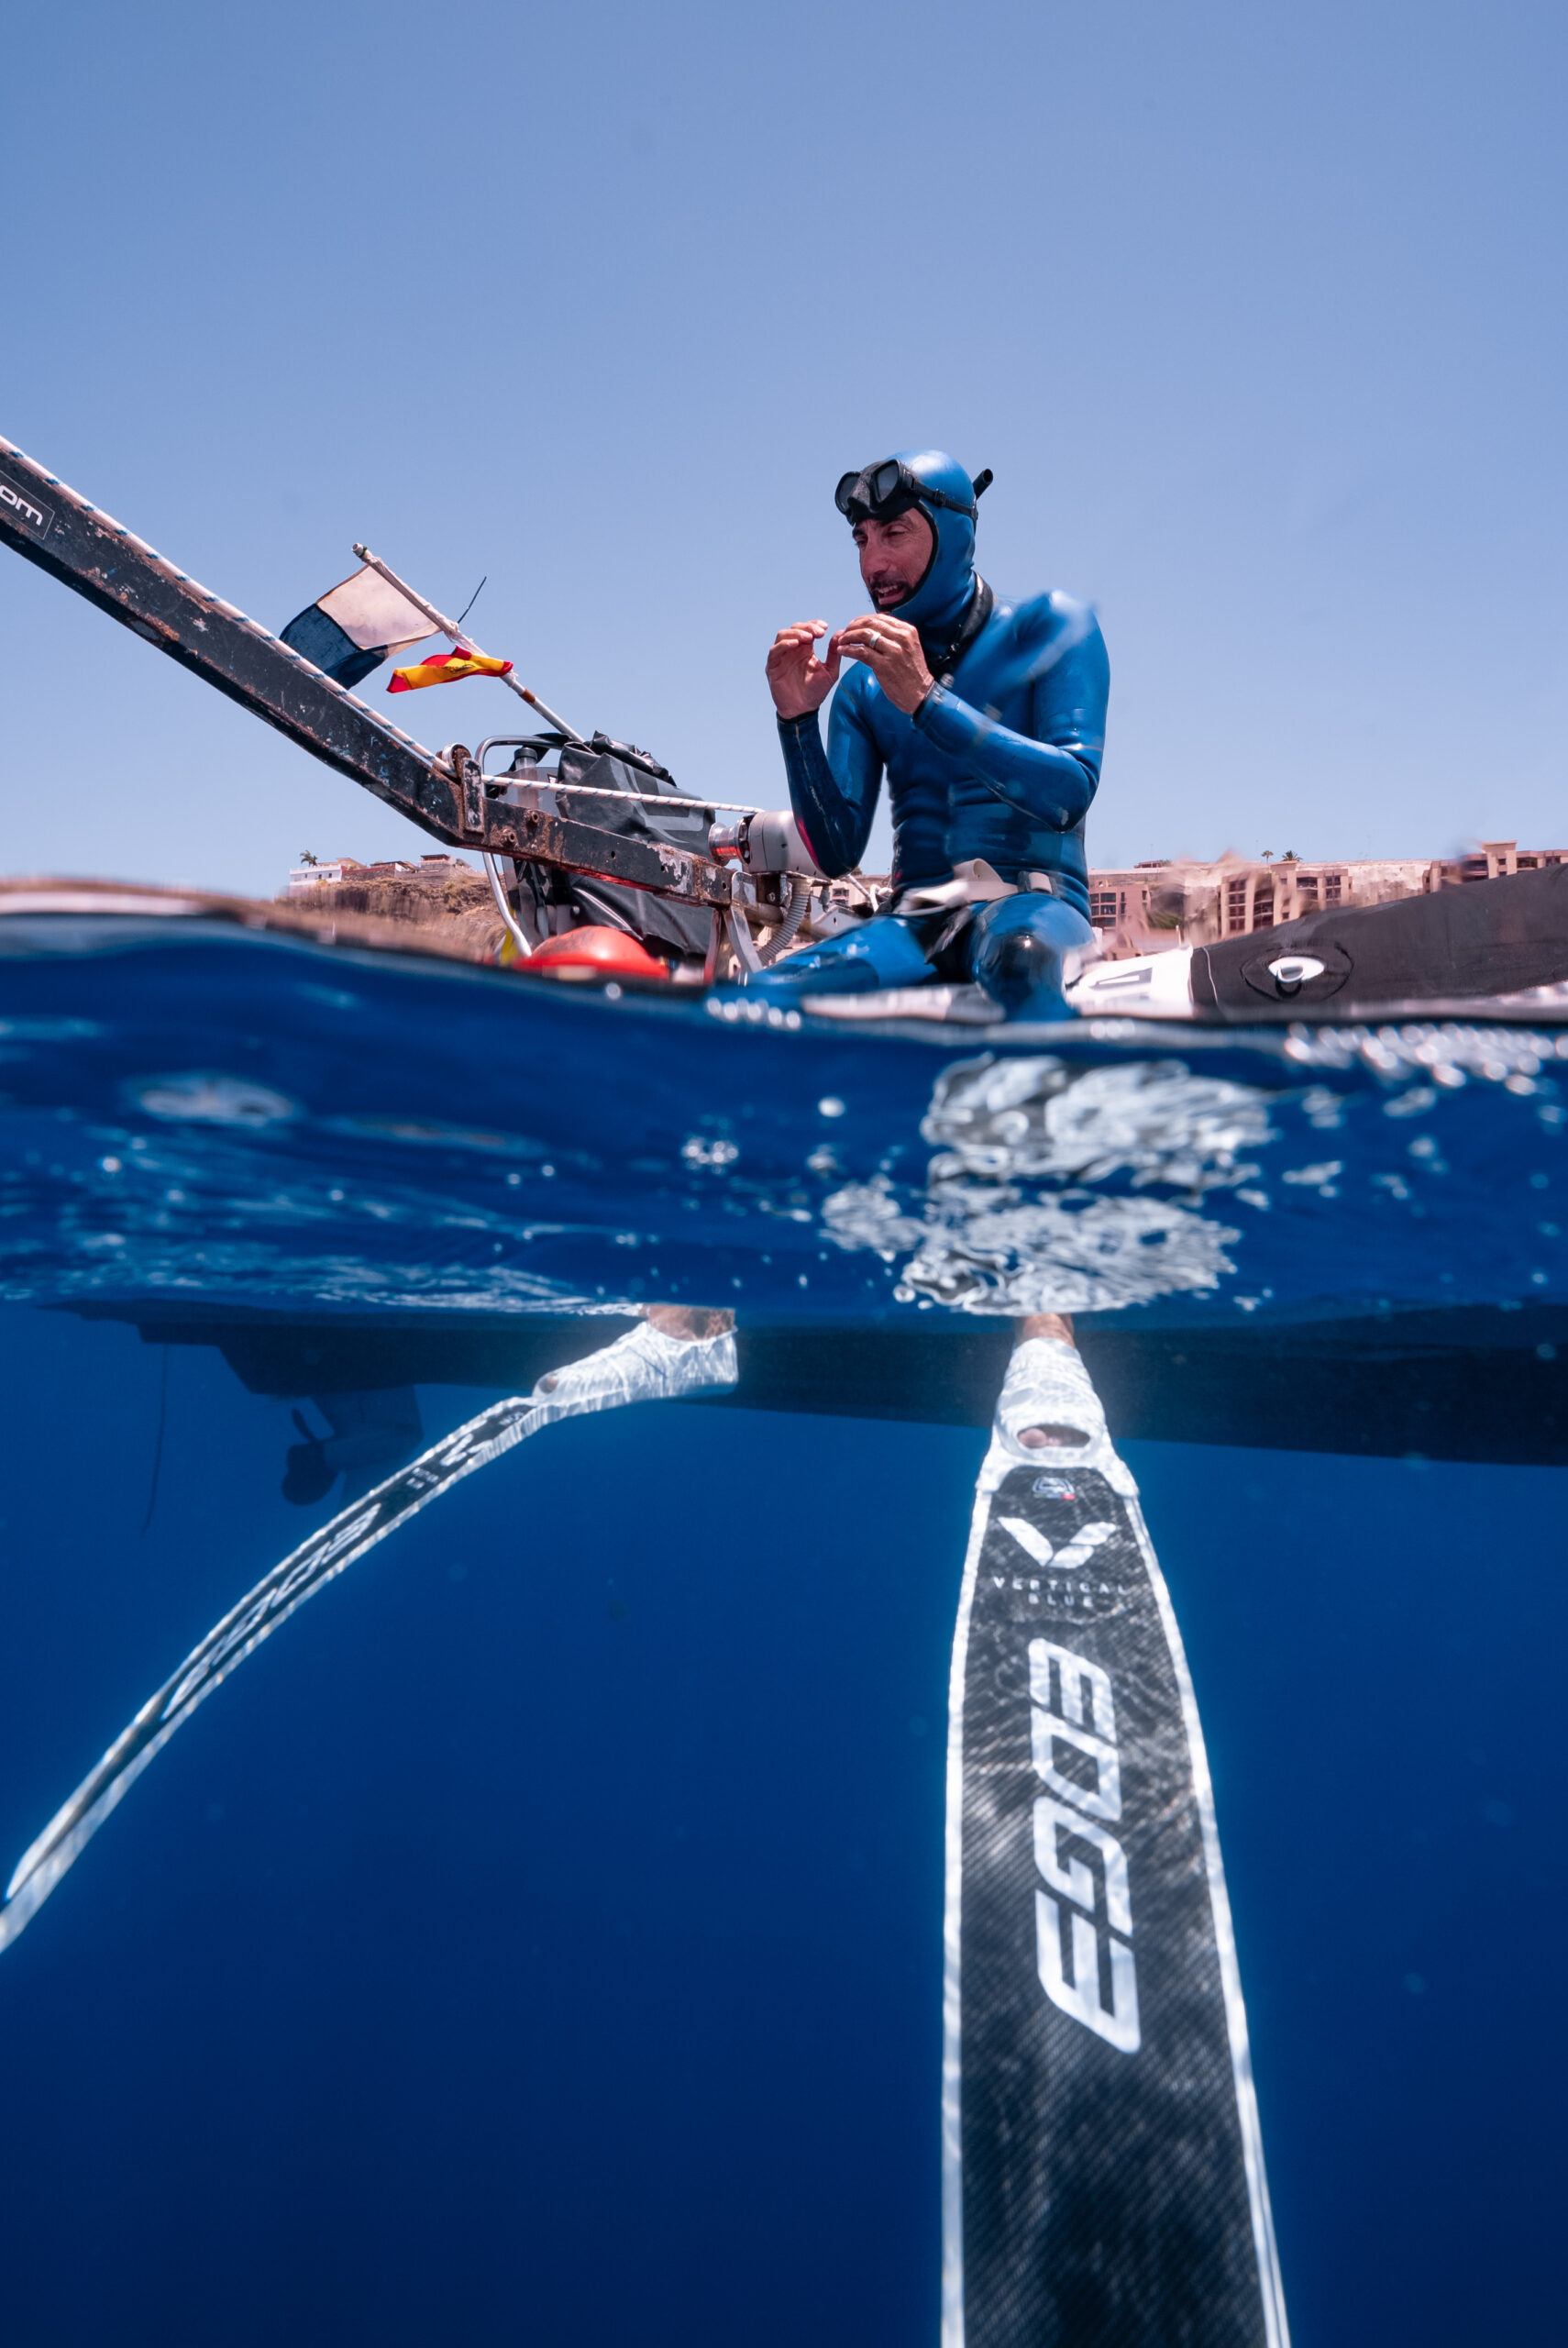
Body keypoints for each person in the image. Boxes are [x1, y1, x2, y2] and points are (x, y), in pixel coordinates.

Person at [747, 450, 1109, 1020]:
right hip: (913, 920)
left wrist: (926, 701)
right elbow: (837, 852)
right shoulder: (863, 685)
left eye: (895, 533)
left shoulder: (1052, 627)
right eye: (862, 539)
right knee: (764, 996)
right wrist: (796, 721)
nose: (874, 562)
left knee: (1022, 958)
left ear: (956, 534)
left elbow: (1068, 794)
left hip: (1034, 907)